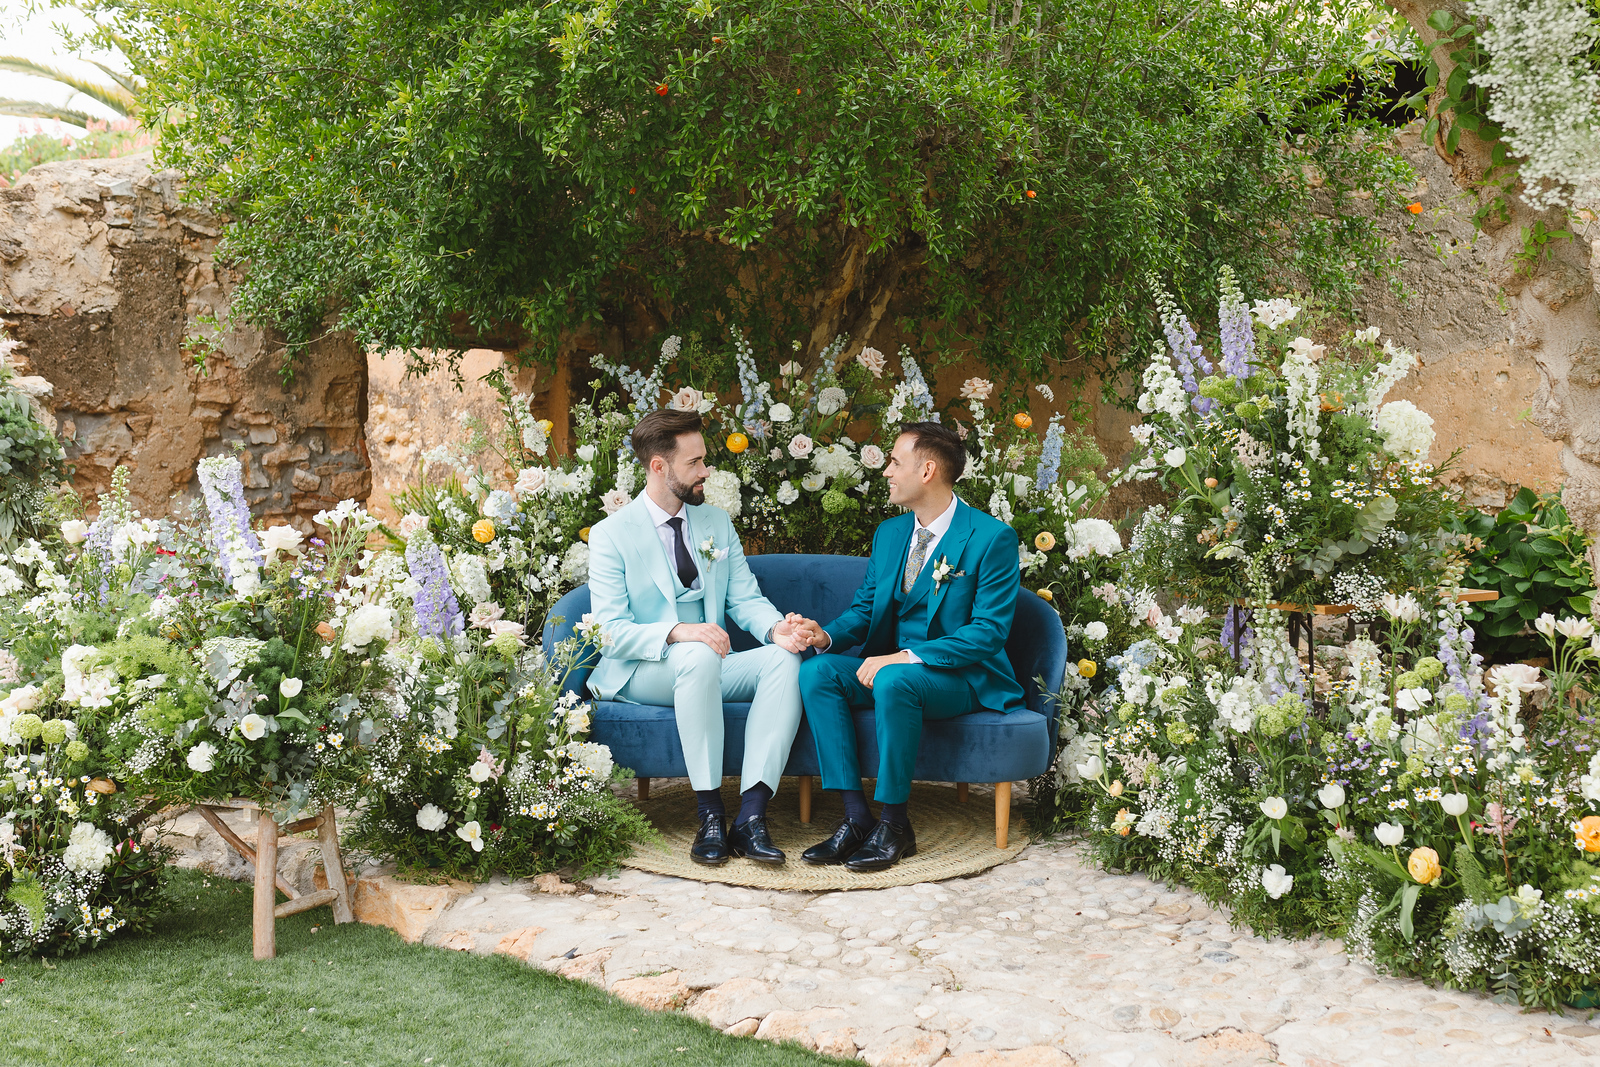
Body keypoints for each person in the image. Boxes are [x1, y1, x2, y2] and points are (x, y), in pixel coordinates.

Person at [586, 410, 819, 867]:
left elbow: (745, 598)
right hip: (641, 672)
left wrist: (778, 631)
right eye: (694, 463)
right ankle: (710, 814)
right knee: (695, 655)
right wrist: (678, 631)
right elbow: (609, 633)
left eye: (704, 461)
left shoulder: (714, 522)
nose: (705, 471)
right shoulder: (611, 535)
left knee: (783, 661)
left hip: (707, 664)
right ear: (658, 466)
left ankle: (750, 816)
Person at [792, 421, 1024, 871]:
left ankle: (896, 825)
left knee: (895, 679)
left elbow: (988, 631)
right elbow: (865, 608)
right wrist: (828, 636)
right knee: (817, 672)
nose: (886, 472)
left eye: (895, 462)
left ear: (927, 471)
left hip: (960, 676)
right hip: (894, 670)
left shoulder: (991, 538)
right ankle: (857, 818)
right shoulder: (891, 534)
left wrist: (906, 656)